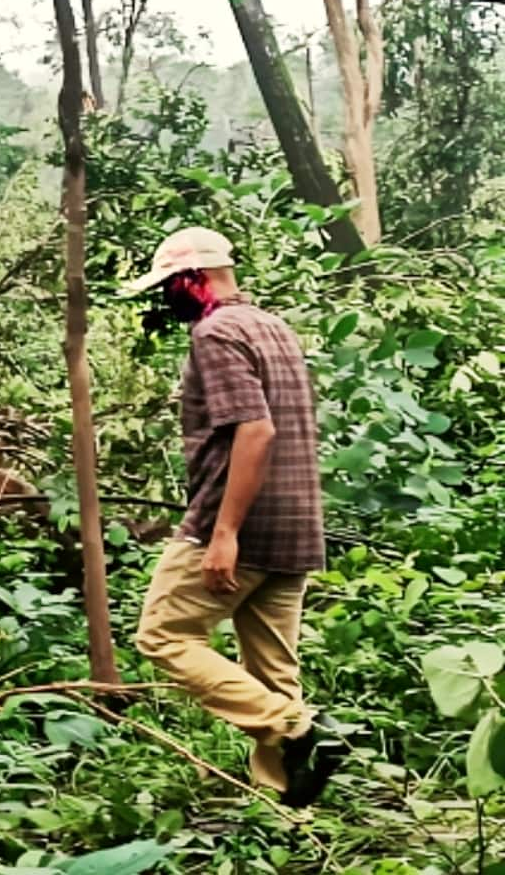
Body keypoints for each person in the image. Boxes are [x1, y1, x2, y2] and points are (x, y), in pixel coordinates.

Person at [122, 227, 345, 807]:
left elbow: (256, 429)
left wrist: (223, 534)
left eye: (171, 285)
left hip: (241, 525)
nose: (168, 297)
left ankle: (297, 728)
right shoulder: (274, 327)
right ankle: (285, 812)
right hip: (296, 526)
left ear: (193, 279)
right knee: (274, 670)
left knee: (164, 636)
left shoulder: (216, 333)